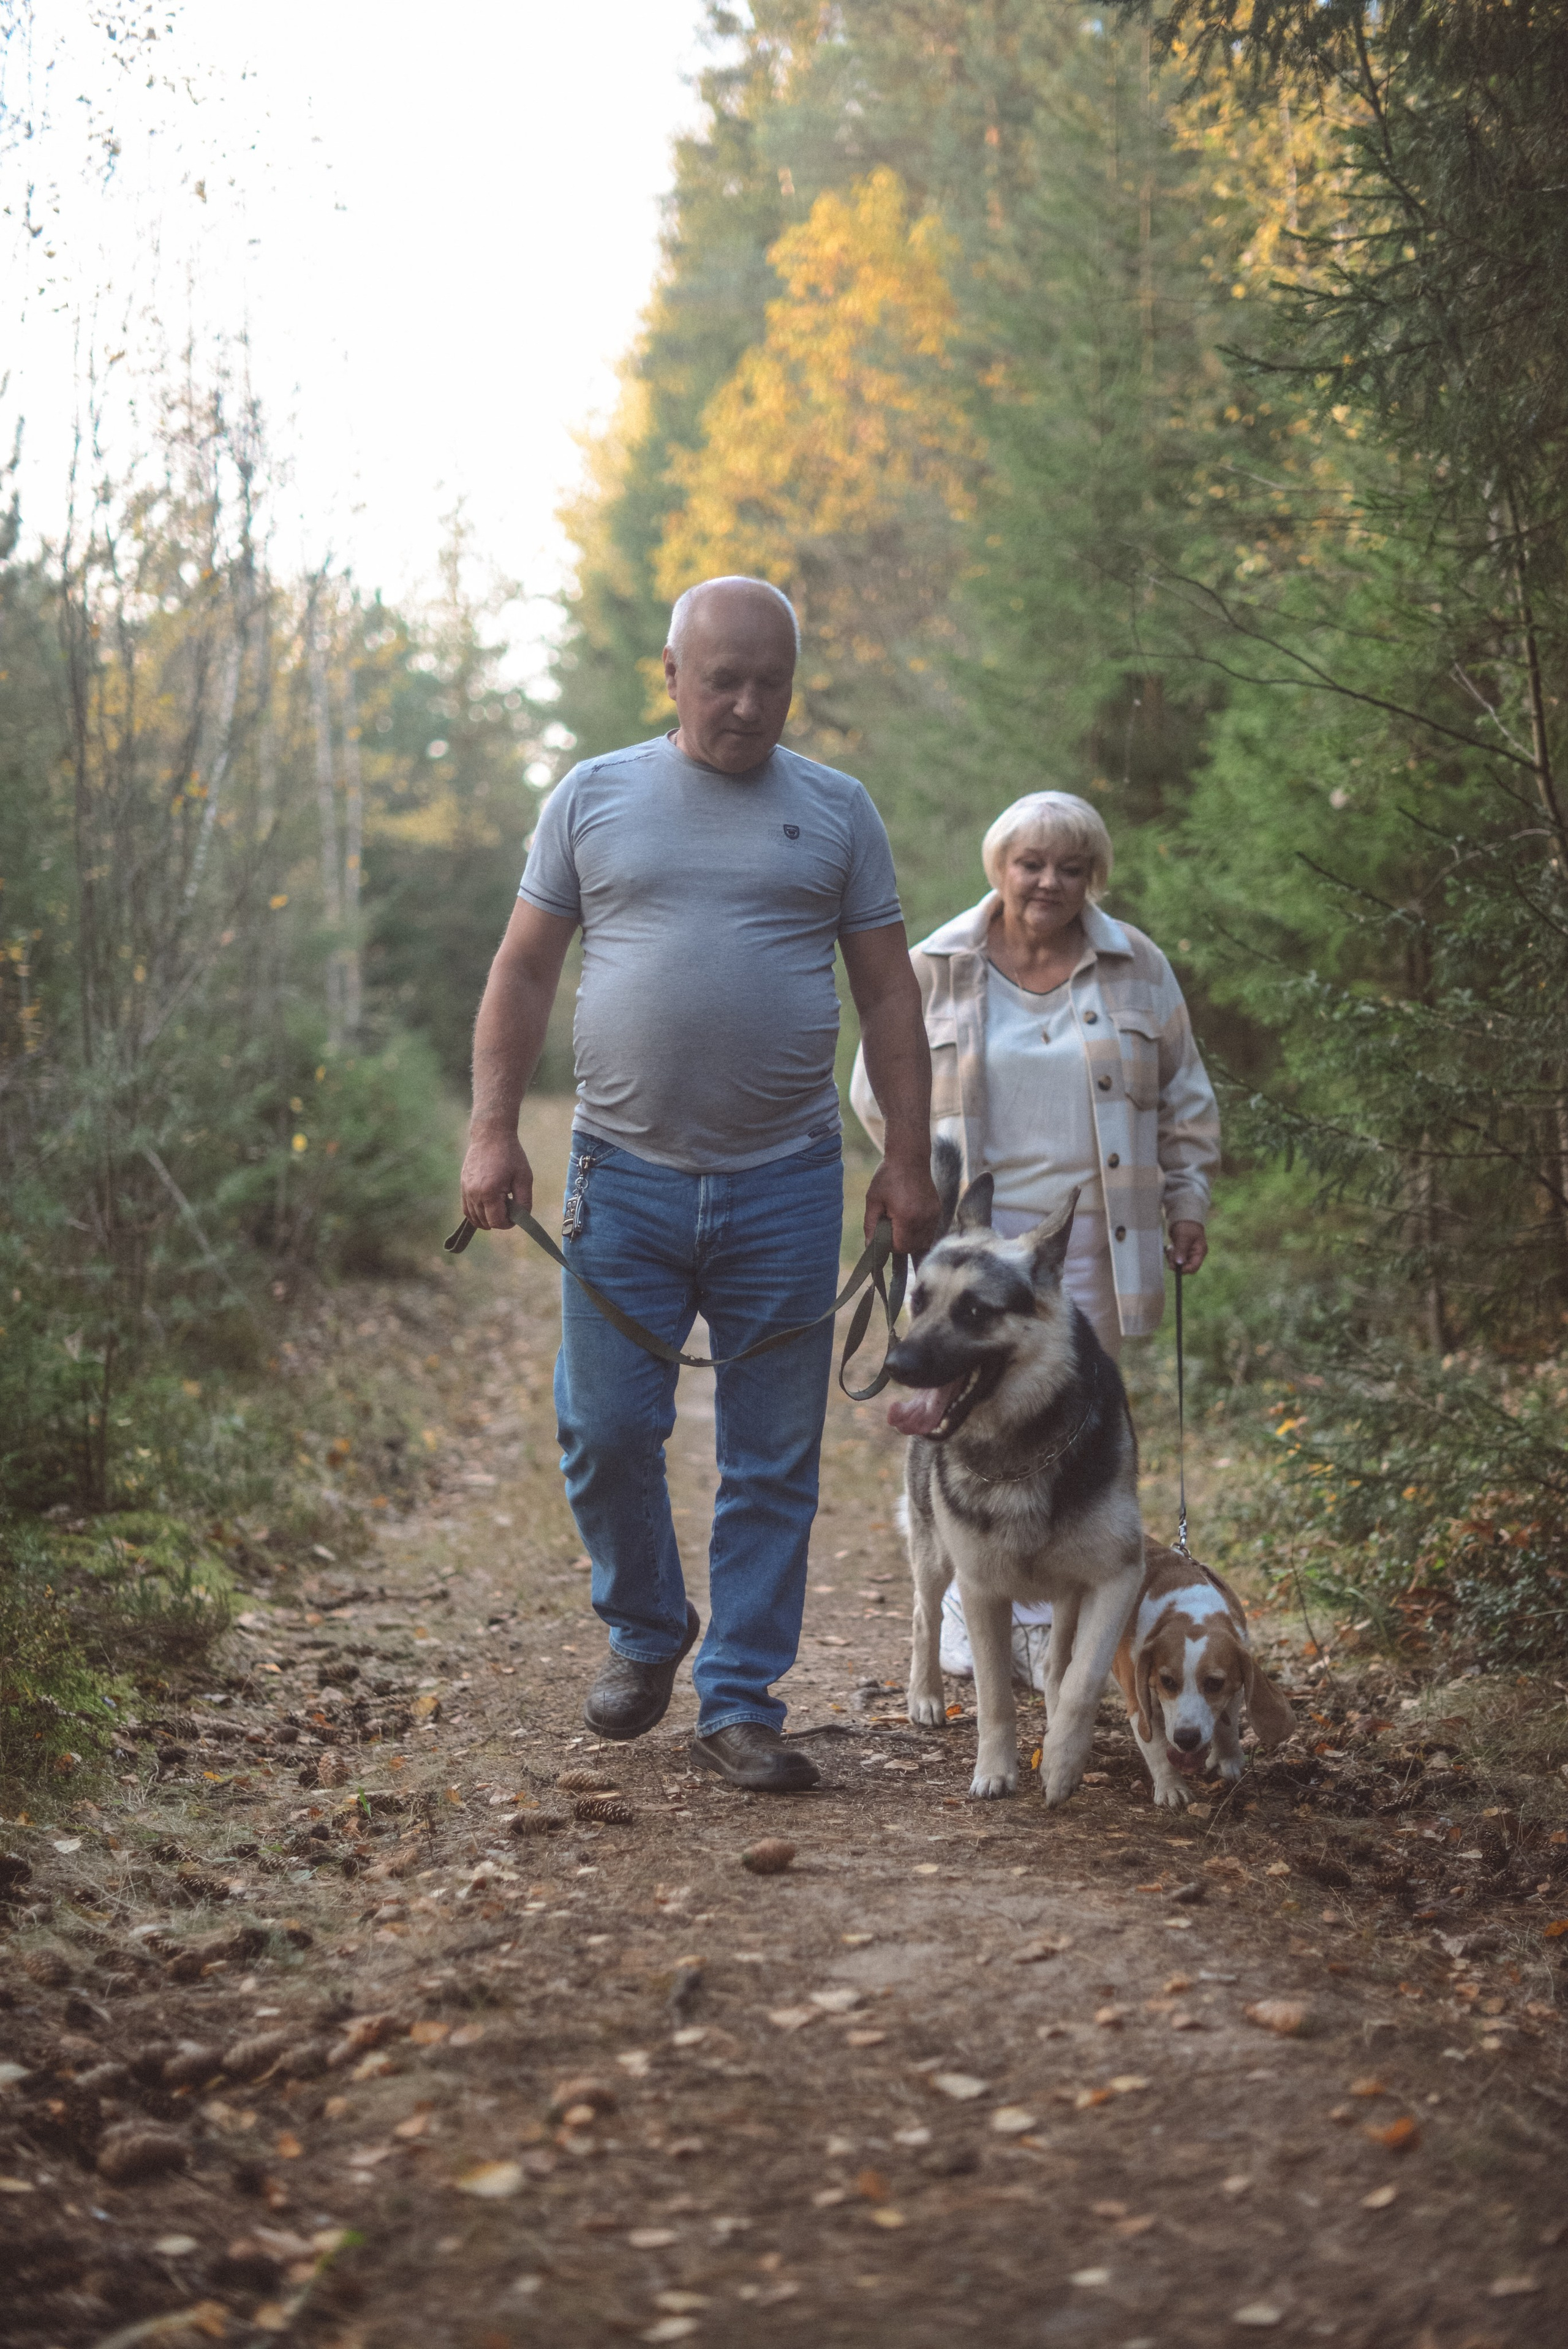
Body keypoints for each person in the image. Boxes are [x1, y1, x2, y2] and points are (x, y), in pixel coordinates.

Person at [460, 576, 941, 1793]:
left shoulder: (835, 811)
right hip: (621, 1177)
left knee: (771, 1456)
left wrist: (903, 1156)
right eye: (720, 679)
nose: (744, 704)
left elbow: (890, 992)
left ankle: (739, 1698)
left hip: (784, 1182)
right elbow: (522, 970)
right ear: (669, 674)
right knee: (603, 1427)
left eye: (769, 683)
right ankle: (643, 1627)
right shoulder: (593, 795)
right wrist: (491, 1132)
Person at [850, 788, 1219, 1687]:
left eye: (1072, 866)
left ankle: (1050, 1624)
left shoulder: (1138, 965)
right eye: (1031, 863)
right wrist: (915, 1177)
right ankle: (965, 1600)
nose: (1050, 880)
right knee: (962, 1412)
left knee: (1069, 1425)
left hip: (1096, 1233)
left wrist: (1188, 1196)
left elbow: (1185, 1097)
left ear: (1093, 877)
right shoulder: (937, 961)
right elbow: (873, 1081)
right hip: (967, 1236)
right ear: (1000, 869)